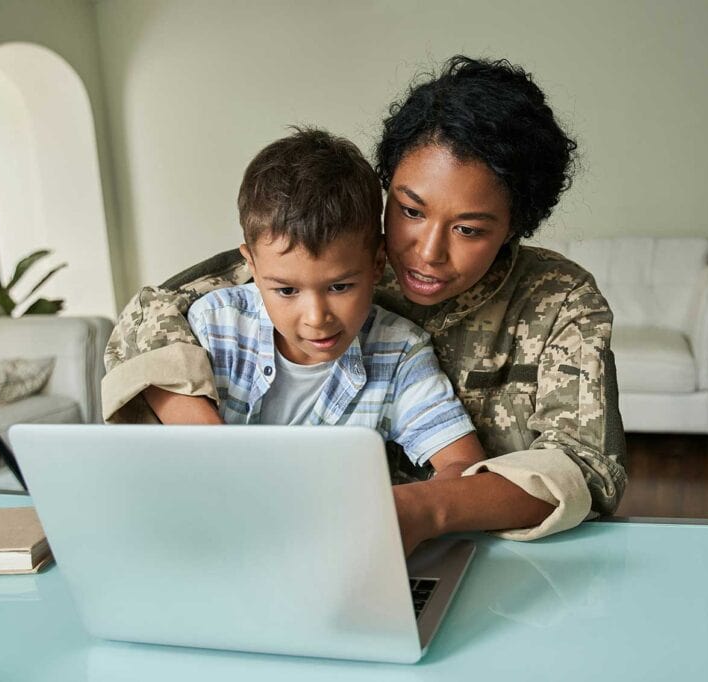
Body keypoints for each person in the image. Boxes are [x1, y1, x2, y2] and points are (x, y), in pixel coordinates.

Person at [102, 55, 627, 555]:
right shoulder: (333, 256)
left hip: (479, 558)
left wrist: (426, 509)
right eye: (409, 210)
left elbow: (585, 466)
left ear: (516, 224)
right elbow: (150, 318)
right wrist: (226, 461)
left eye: (468, 229)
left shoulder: (557, 300)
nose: (426, 253)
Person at [186, 128, 485, 486]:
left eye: (340, 287)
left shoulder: (400, 353)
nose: (317, 318)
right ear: (251, 265)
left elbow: (464, 465)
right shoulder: (213, 325)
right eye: (286, 290)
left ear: (377, 264)